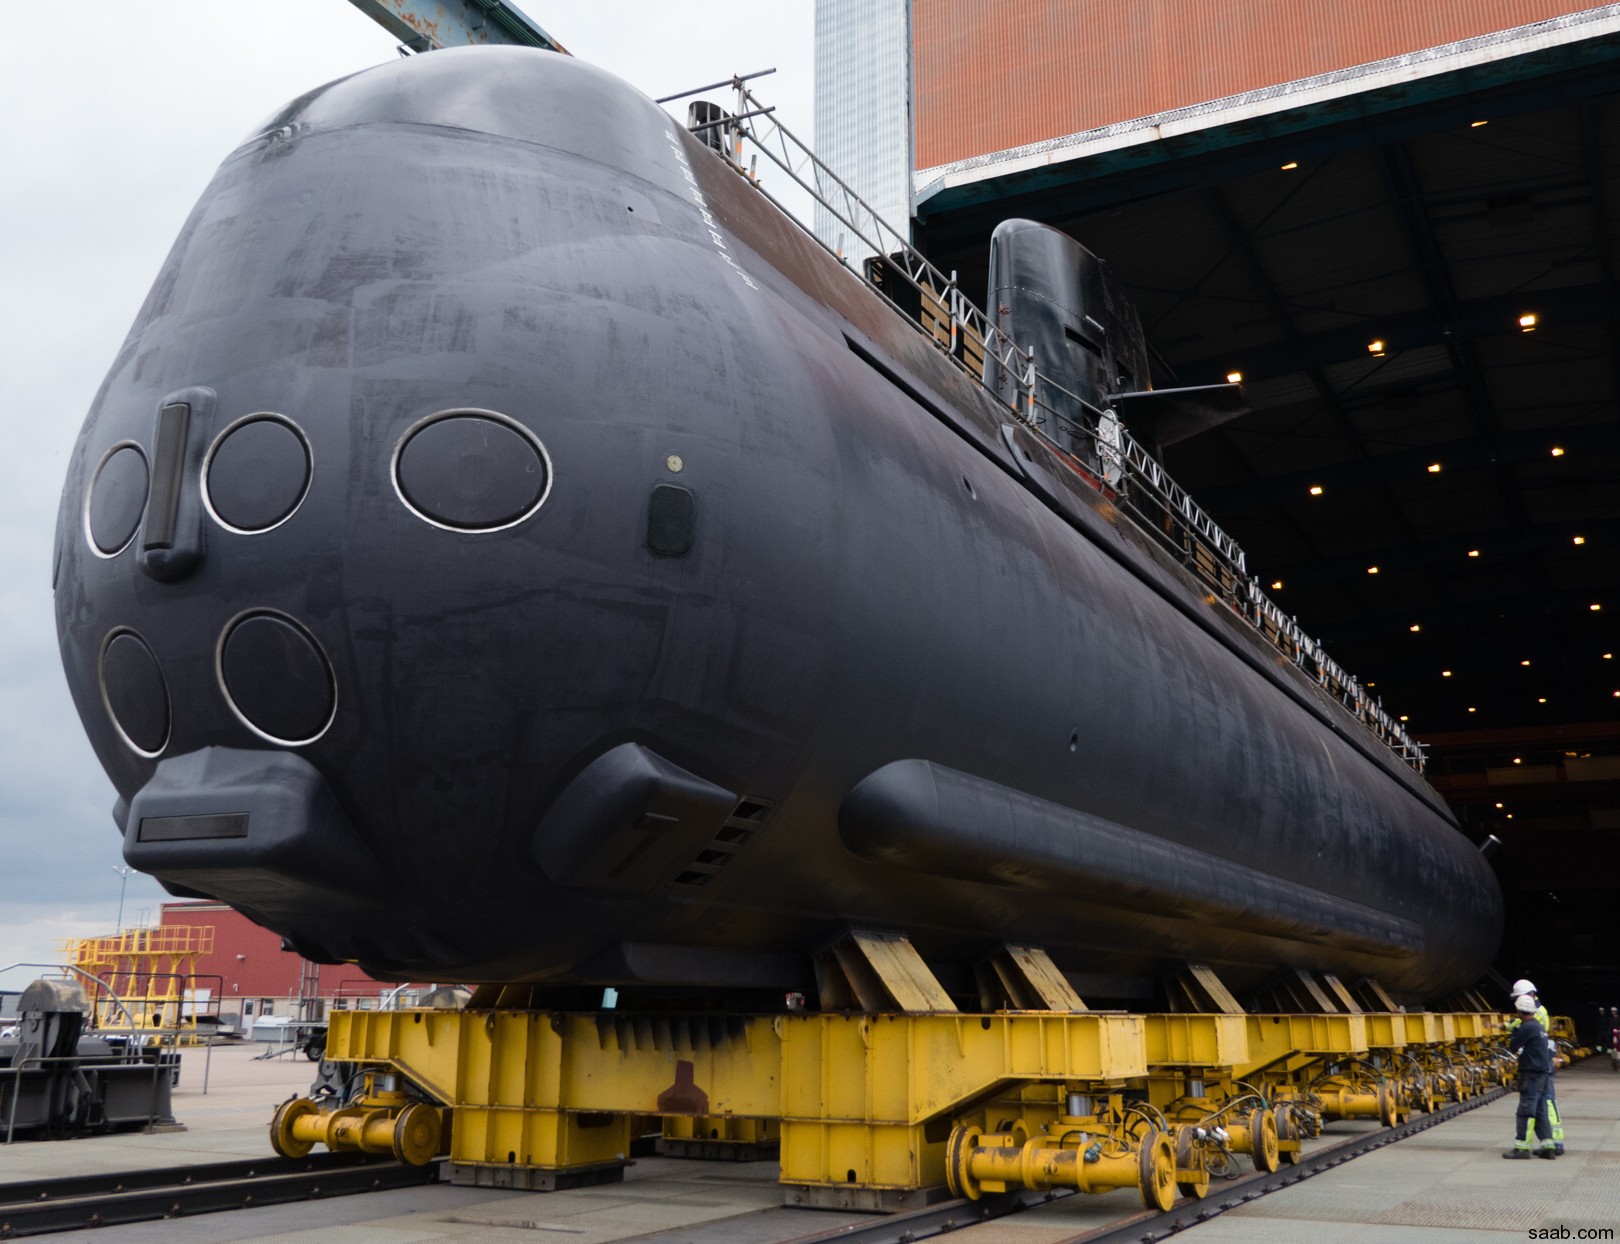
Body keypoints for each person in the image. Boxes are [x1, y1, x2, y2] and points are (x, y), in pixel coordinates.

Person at [1510, 978, 1563, 1154]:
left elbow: (1513, 1044)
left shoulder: (1529, 1024)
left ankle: (1522, 1148)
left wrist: (1511, 1028)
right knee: (1543, 1108)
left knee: (1526, 1110)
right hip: (1543, 1067)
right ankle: (1550, 1145)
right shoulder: (1540, 1022)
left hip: (1533, 1071)